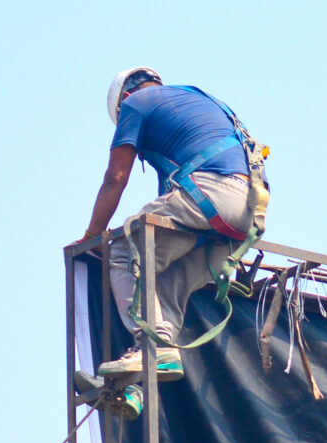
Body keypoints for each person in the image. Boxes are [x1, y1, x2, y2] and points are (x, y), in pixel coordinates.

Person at [82, 68, 268, 380]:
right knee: (161, 279)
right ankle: (140, 378)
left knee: (126, 251)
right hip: (248, 215)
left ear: (124, 98)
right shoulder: (197, 100)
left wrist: (91, 235)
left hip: (212, 193)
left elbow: (115, 178)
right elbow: (166, 208)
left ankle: (149, 349)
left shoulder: (135, 104)